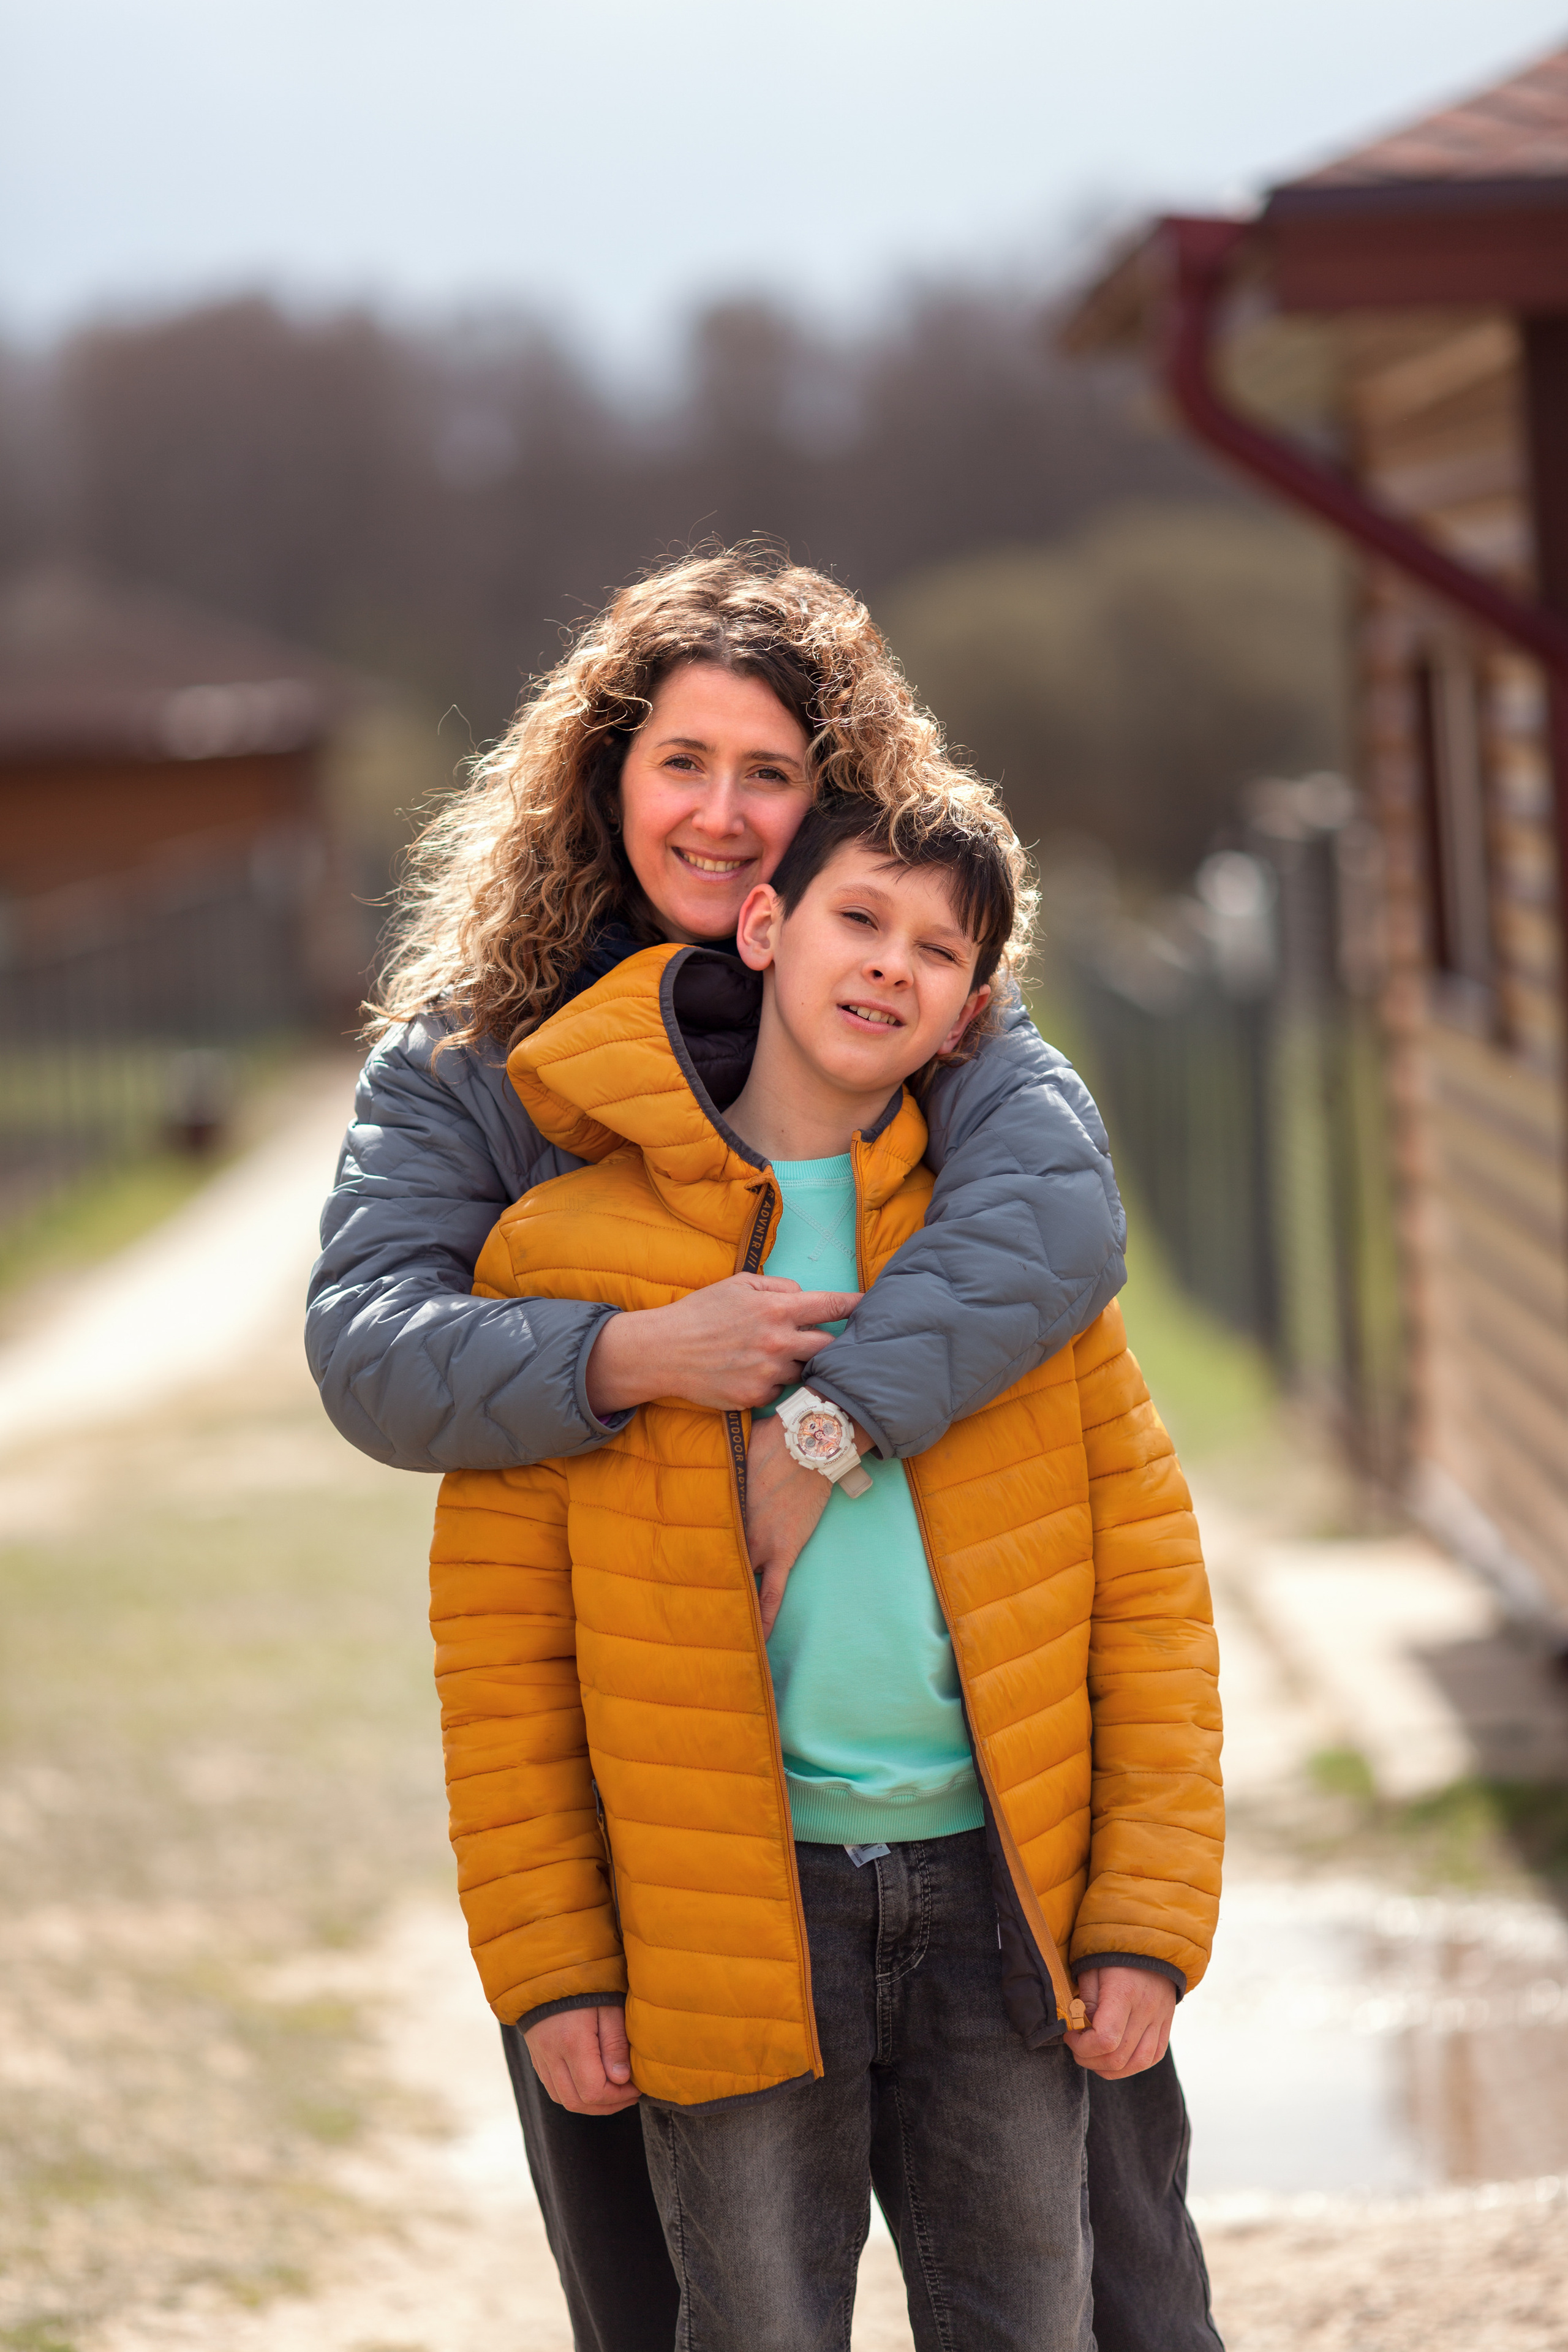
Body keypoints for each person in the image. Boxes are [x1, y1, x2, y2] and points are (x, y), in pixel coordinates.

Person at [308, 548, 1222, 2351]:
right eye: (682, 764)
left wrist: (821, 1421)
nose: (724, 816)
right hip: (674, 1816)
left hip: (981, 1839)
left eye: (773, 773)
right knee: (684, 2300)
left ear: (835, 804)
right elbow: (374, 1357)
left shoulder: (930, 1017)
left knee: (1108, 2289)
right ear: (603, 773)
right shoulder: (472, 1070)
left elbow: (1058, 1233)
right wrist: (635, 1353)